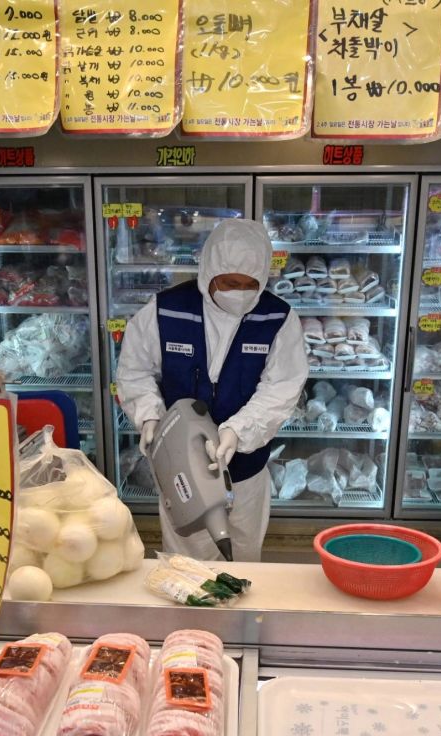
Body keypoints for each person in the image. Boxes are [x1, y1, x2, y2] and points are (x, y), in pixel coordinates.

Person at [116, 218, 307, 562]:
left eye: (250, 284)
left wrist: (239, 430)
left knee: (245, 557)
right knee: (186, 563)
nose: (239, 292)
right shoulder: (164, 311)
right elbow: (134, 370)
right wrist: (148, 417)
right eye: (230, 282)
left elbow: (282, 388)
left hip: (246, 471)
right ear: (208, 272)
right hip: (182, 471)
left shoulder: (278, 319)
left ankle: (241, 617)